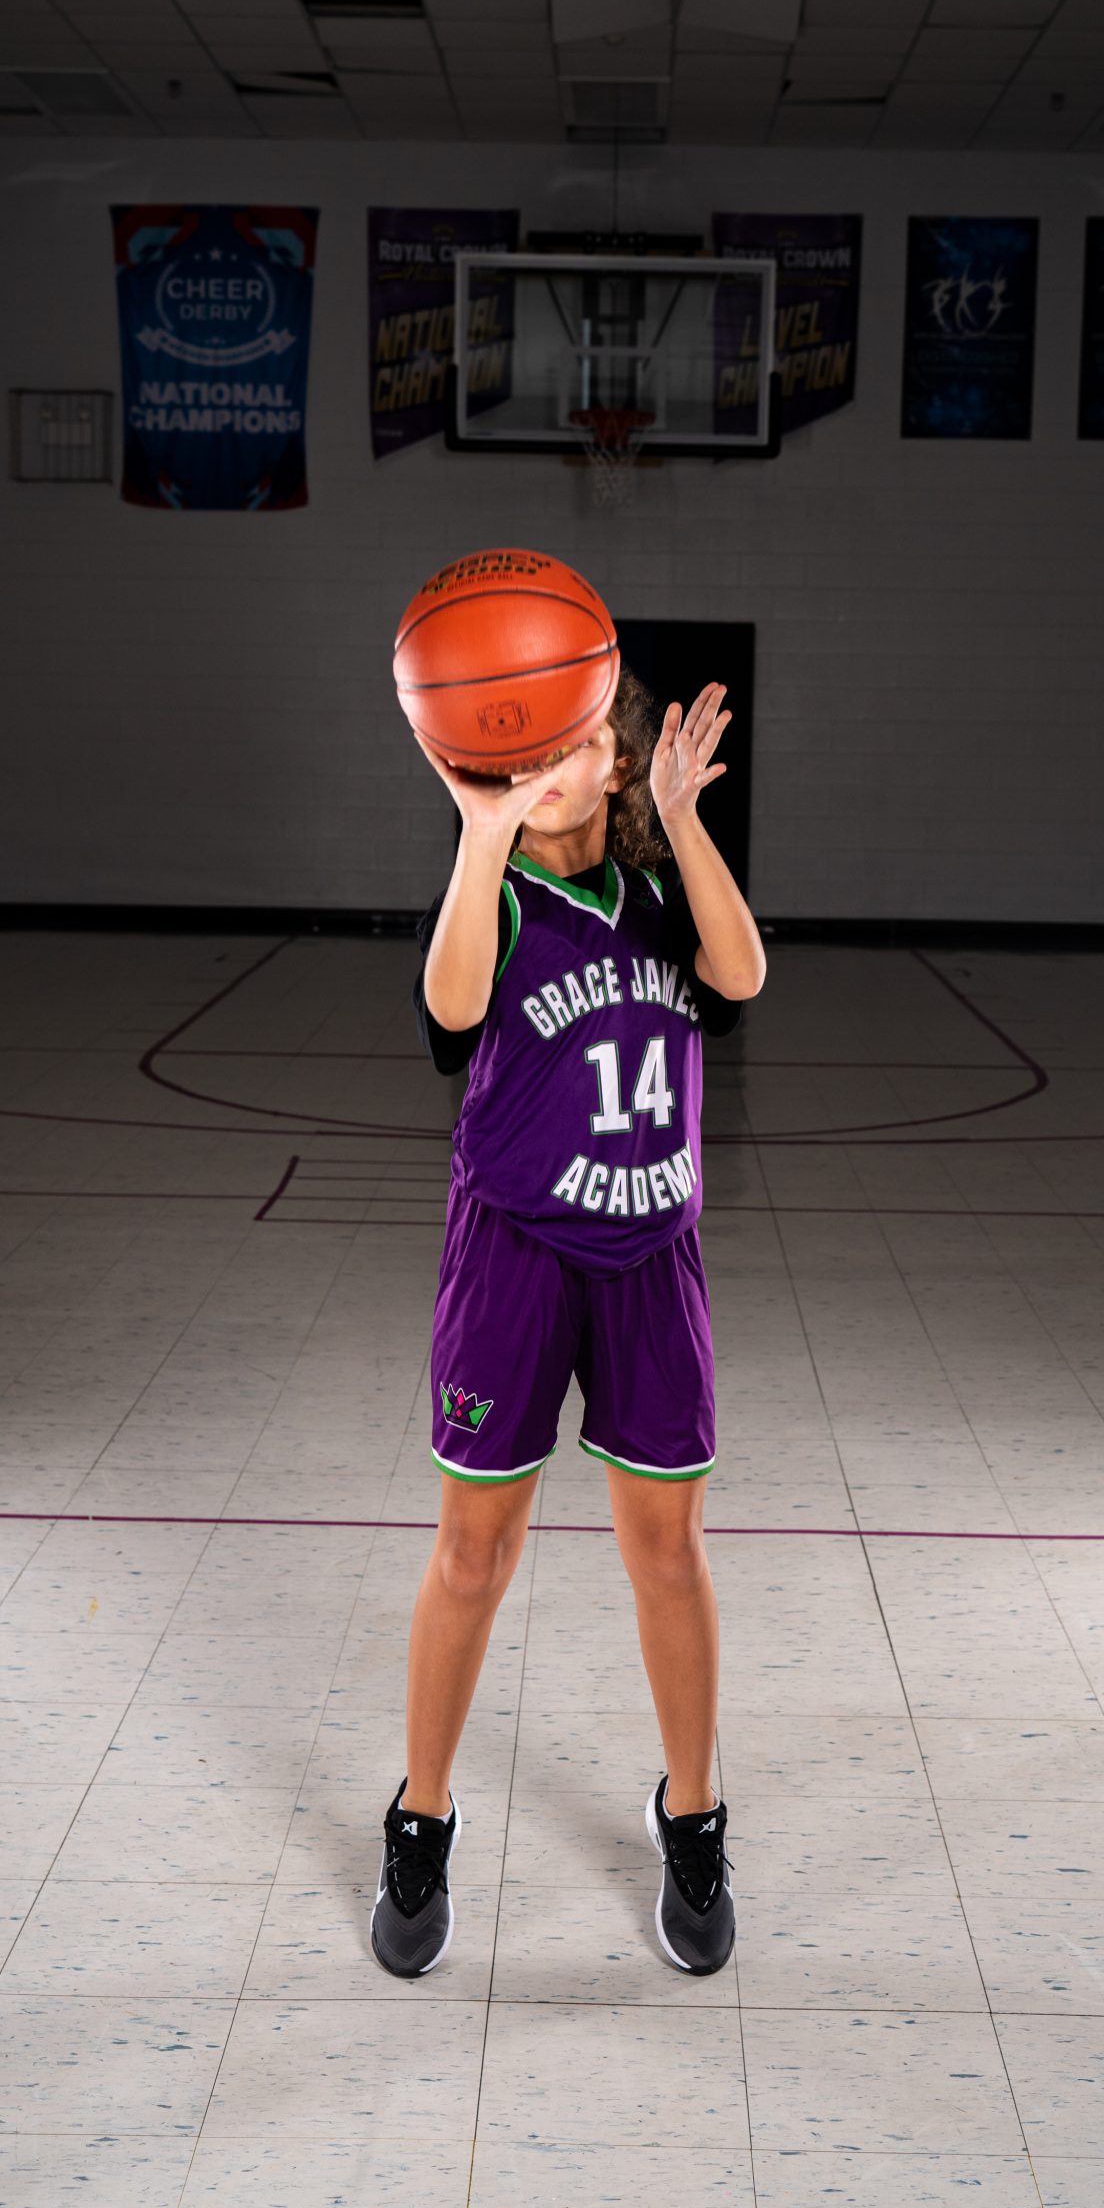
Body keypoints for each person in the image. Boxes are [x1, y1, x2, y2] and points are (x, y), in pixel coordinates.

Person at [371, 670, 765, 1980]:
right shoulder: (490, 895)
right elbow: (449, 1011)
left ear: (617, 762)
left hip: (650, 1254)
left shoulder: (660, 895)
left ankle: (691, 1815)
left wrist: (686, 823)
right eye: (524, 750)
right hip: (516, 1255)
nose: (547, 765)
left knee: (669, 1552)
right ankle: (421, 1816)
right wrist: (479, 831)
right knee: (472, 1553)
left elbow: (741, 974)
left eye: (576, 741)